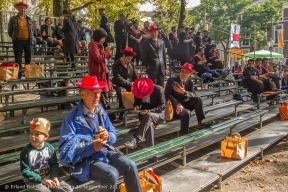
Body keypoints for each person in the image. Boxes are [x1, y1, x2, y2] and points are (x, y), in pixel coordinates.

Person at [58, 76, 142, 192]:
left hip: (104, 152)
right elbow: (65, 149)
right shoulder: (71, 118)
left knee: (131, 165)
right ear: (82, 95)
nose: (97, 96)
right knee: (111, 174)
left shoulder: (100, 111)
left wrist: (108, 136)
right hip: (84, 161)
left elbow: (113, 132)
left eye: (98, 92)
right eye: (92, 93)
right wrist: (91, 147)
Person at [20, 118, 72, 192]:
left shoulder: (49, 148)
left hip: (49, 176)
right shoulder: (26, 151)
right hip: (33, 180)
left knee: (67, 189)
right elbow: (25, 171)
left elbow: (53, 164)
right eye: (31, 133)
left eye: (37, 134)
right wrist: (42, 180)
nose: (32, 136)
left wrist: (54, 177)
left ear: (46, 136)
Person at [124, 78, 165, 150]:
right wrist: (136, 106)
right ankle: (151, 152)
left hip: (157, 114)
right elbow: (136, 102)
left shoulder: (158, 89)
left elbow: (162, 106)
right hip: (144, 116)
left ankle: (135, 139)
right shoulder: (137, 90)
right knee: (149, 125)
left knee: (149, 115)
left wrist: (149, 111)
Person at [165, 63, 207, 131]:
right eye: (182, 71)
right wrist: (177, 104)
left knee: (198, 99)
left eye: (186, 72)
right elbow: (167, 94)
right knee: (186, 112)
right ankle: (184, 134)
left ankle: (200, 123)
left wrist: (184, 92)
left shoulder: (190, 82)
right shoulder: (171, 80)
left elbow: (193, 94)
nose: (183, 74)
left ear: (190, 74)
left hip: (186, 103)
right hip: (175, 106)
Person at [88, 28, 117, 122]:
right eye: (103, 38)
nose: (104, 40)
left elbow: (104, 58)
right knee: (103, 96)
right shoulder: (93, 46)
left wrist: (106, 51)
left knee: (104, 96)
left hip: (103, 74)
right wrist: (107, 52)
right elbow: (98, 59)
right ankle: (110, 117)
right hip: (97, 75)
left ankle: (108, 117)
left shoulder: (99, 46)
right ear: (99, 37)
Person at [8, 1, 33, 78]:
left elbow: (32, 30)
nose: (23, 9)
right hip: (18, 41)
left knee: (28, 59)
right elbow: (10, 31)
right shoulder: (13, 19)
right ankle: (19, 75)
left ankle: (28, 75)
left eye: (24, 8)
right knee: (18, 59)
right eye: (21, 8)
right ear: (18, 9)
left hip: (28, 41)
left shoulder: (29, 19)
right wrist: (15, 37)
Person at [112, 47, 138, 120]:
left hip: (130, 84)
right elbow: (118, 78)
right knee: (122, 91)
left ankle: (138, 108)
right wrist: (129, 83)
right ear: (123, 56)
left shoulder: (131, 64)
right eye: (128, 59)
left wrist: (137, 83)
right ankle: (122, 113)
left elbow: (134, 76)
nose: (129, 61)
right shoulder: (116, 64)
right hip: (119, 85)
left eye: (130, 59)